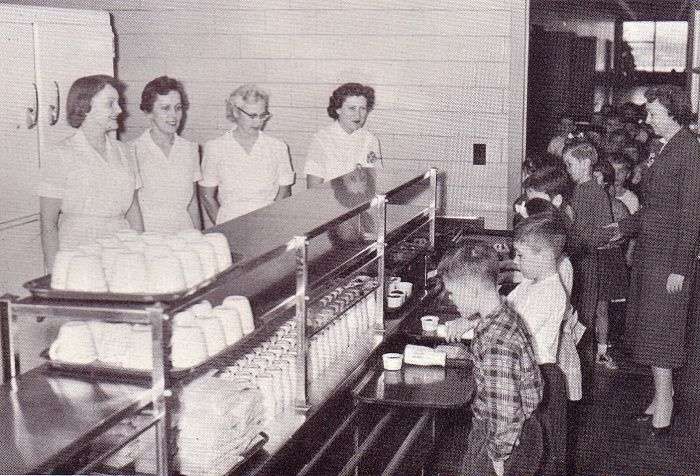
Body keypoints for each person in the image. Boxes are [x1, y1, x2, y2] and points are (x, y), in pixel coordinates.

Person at [609, 85, 700, 435]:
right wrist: (626, 226)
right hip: (651, 251)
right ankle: (661, 394)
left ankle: (666, 402)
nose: (647, 120)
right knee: (650, 327)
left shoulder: (689, 149)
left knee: (662, 330)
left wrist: (681, 266)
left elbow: (692, 213)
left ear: (674, 113)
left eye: (653, 114)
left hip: (669, 257)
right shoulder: (663, 147)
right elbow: (654, 206)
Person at [439, 242, 543, 476]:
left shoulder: (497, 345)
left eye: (452, 292)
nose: (451, 299)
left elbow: (505, 410)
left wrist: (498, 457)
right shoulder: (503, 314)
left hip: (502, 437)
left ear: (472, 291)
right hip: (521, 429)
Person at [38, 74, 143, 271]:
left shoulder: (125, 151)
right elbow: (48, 224)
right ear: (85, 107)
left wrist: (140, 255)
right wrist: (54, 274)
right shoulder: (60, 154)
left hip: (122, 249)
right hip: (78, 251)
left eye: (118, 103)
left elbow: (133, 212)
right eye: (110, 104)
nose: (119, 110)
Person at [507, 212, 570, 475]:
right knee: (527, 451)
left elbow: (514, 333)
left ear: (544, 255)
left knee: (543, 454)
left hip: (542, 378)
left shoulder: (550, 292)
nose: (515, 261)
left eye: (520, 255)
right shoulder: (530, 284)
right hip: (529, 374)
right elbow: (504, 308)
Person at [199, 84, 294, 224]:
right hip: (229, 222)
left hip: (267, 222)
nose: (258, 122)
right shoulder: (215, 147)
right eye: (252, 116)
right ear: (236, 112)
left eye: (262, 115)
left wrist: (272, 222)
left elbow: (284, 192)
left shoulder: (278, 147)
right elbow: (207, 196)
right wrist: (223, 226)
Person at [562, 138, 619, 372]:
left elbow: (604, 232)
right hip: (574, 257)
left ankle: (581, 363)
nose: (568, 170)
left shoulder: (596, 192)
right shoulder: (576, 190)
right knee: (572, 308)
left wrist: (579, 238)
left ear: (585, 163)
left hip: (586, 259)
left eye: (570, 164)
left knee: (584, 312)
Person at [131, 76, 202, 233]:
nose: (173, 116)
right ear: (148, 113)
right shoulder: (132, 150)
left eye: (178, 108)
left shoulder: (190, 149)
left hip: (185, 234)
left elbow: (193, 204)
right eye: (165, 108)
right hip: (151, 236)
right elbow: (132, 207)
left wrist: (200, 239)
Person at [304, 82, 382, 187]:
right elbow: (313, 188)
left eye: (362, 109)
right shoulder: (321, 139)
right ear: (338, 109)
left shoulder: (371, 140)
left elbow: (376, 180)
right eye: (352, 108)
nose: (358, 115)